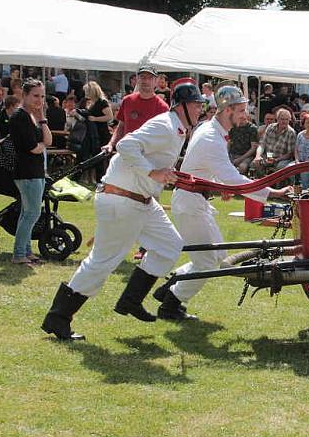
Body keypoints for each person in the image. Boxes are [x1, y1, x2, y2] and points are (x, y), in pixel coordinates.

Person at [40, 79, 206, 341]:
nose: (200, 110)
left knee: (169, 245)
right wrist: (153, 172)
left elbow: (150, 160)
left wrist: (163, 175)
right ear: (183, 106)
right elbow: (126, 145)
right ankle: (58, 317)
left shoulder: (177, 129)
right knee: (103, 261)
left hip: (140, 200)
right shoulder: (165, 125)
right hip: (122, 200)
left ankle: (131, 300)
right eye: (197, 105)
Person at [153, 85, 292, 320]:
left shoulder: (210, 130)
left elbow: (209, 169)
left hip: (195, 200)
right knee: (207, 261)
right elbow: (233, 178)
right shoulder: (211, 137)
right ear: (227, 110)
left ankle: (171, 285)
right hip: (191, 203)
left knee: (217, 256)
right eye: (240, 111)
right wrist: (273, 193)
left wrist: (219, 184)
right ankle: (170, 304)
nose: (245, 116)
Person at [10, 79, 52, 266]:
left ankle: (25, 251)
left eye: (42, 96)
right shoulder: (20, 116)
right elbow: (34, 147)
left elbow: (48, 140)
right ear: (24, 95)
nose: (39, 100)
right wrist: (41, 145)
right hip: (27, 173)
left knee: (27, 213)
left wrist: (42, 118)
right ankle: (19, 254)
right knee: (32, 214)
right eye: (35, 96)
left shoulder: (33, 116)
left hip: (36, 171)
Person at [105, 66, 169, 153]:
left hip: (150, 156)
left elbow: (165, 136)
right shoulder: (127, 100)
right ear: (137, 80)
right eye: (142, 77)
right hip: (127, 152)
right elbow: (121, 126)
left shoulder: (163, 107)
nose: (145, 81)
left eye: (150, 78)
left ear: (155, 82)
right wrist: (111, 144)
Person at [81, 81, 114, 182]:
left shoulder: (102, 102)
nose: (85, 93)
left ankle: (102, 179)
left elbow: (110, 116)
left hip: (102, 133)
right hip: (93, 133)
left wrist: (95, 119)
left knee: (101, 158)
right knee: (93, 157)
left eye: (87, 91)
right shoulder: (91, 103)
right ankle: (94, 179)